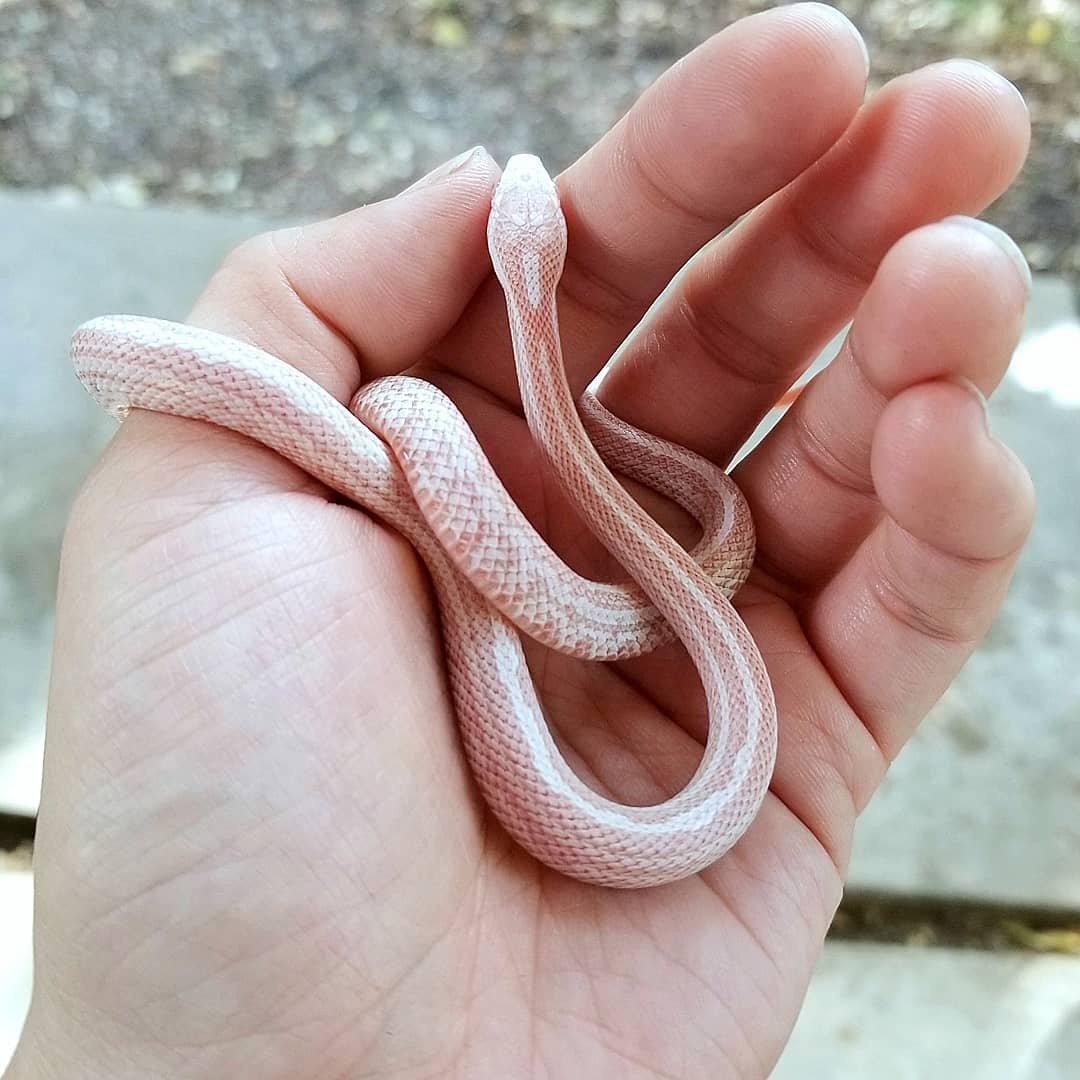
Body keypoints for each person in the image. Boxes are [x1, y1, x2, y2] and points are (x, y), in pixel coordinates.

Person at [8, 4, 1035, 1077]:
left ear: (516, 261)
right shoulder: (506, 400)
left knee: (428, 418)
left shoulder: (545, 428)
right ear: (520, 258)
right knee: (421, 423)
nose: (512, 185)